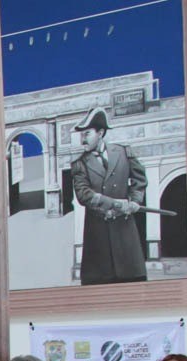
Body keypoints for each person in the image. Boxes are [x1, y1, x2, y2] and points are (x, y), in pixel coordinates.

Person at [70, 107, 147, 286]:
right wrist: (117, 204)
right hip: (98, 241)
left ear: (101, 133)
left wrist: (135, 201)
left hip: (125, 236)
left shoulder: (123, 153)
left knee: (134, 287)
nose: (83, 139)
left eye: (87, 133)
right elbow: (83, 194)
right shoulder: (79, 164)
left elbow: (139, 179)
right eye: (82, 135)